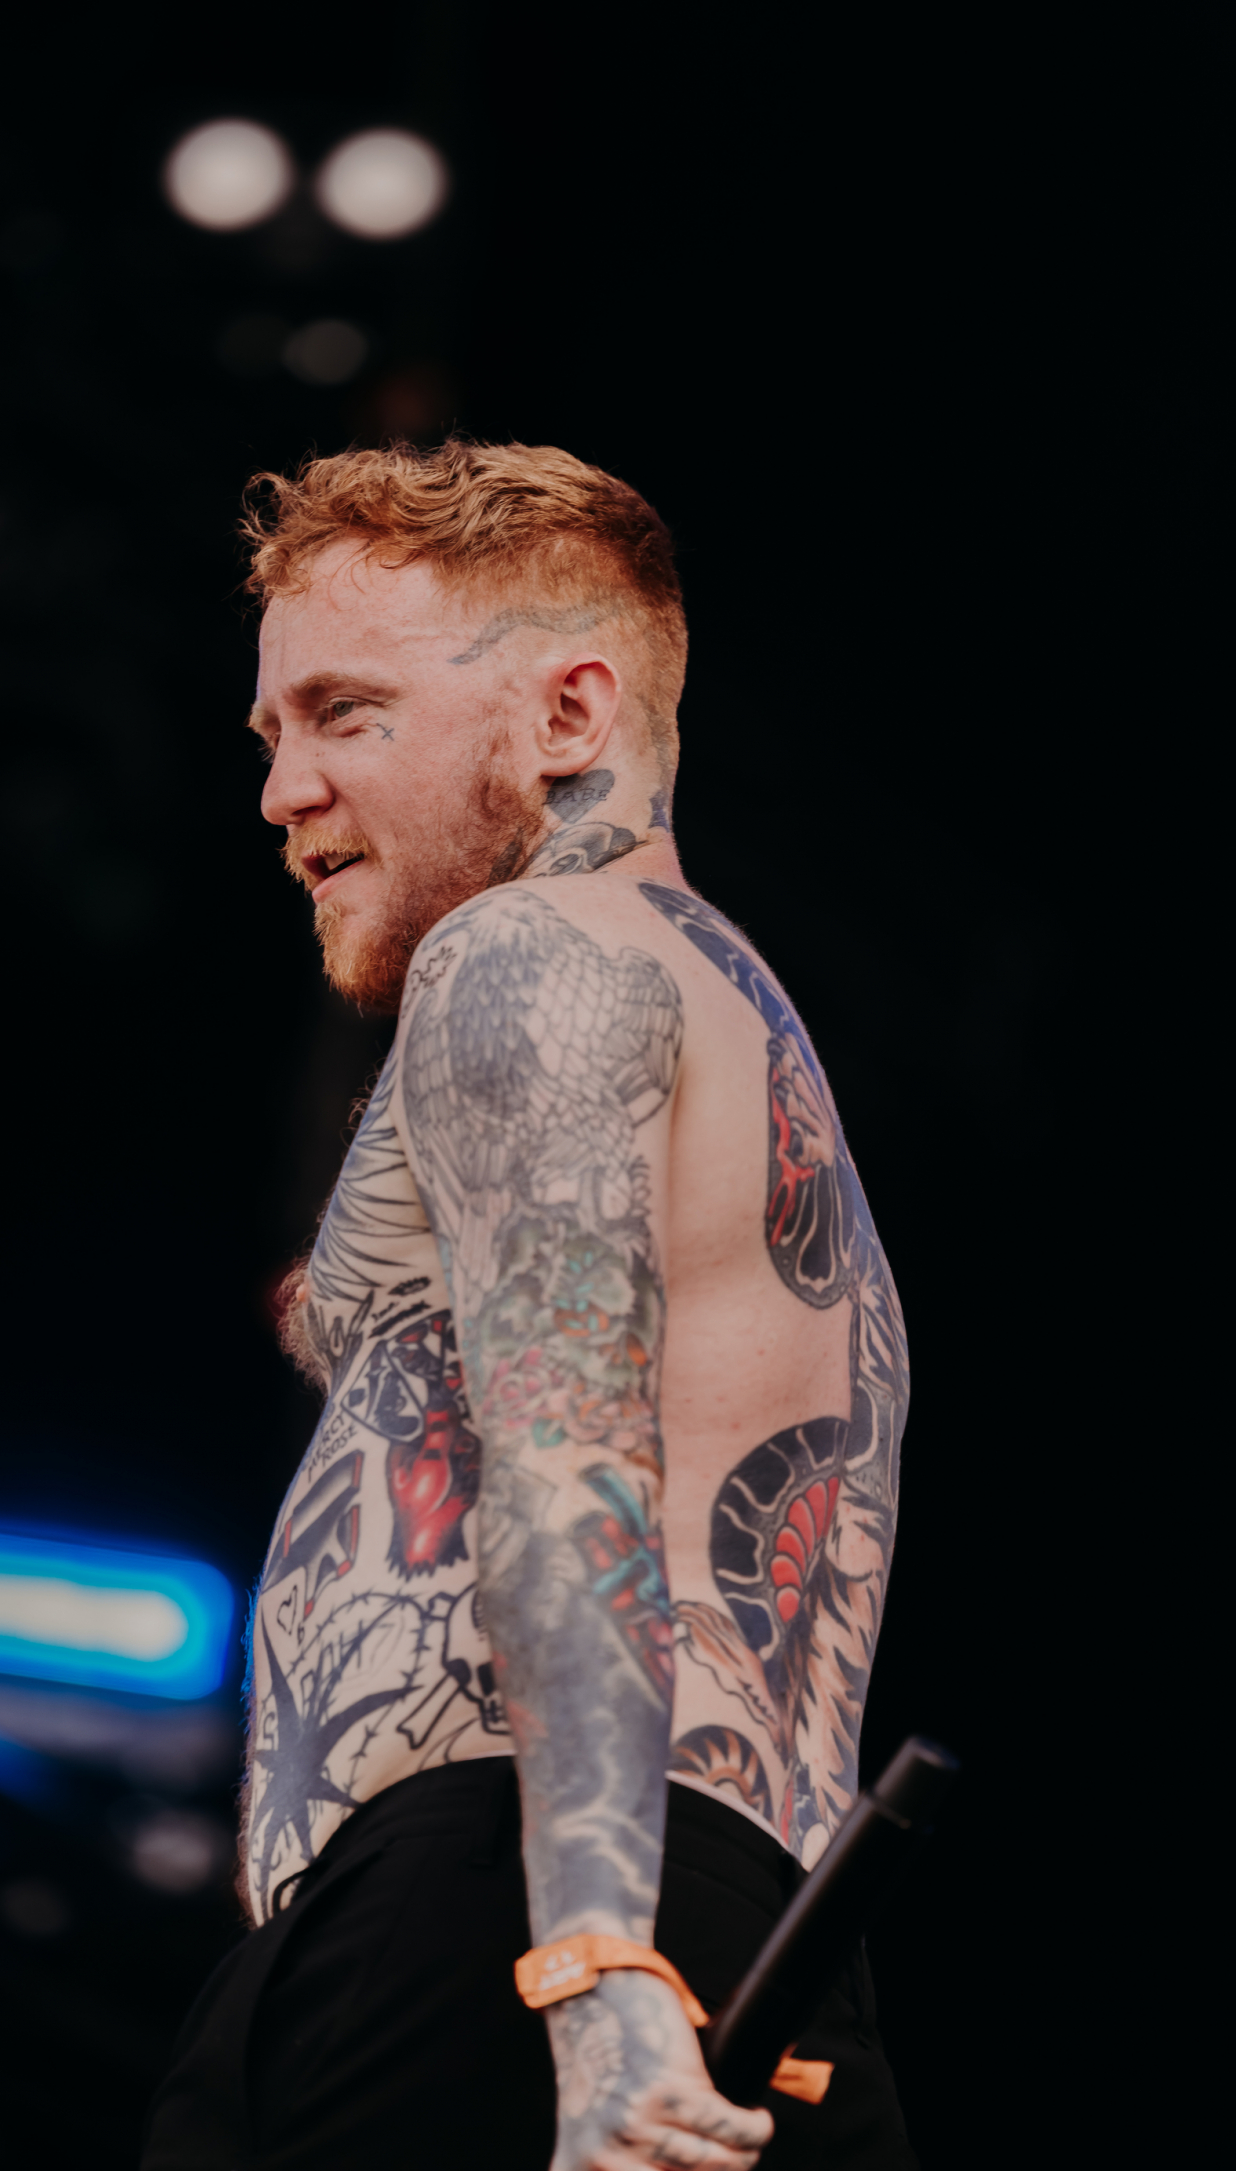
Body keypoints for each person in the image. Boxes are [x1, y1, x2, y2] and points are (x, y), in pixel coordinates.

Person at [142, 441, 916, 2171]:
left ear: (568, 715)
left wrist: (593, 1969)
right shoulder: (702, 1018)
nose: (282, 791)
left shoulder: (533, 953)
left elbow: (571, 1457)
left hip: (518, 1918)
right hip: (716, 1933)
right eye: (270, 733)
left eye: (346, 714)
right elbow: (376, 1314)